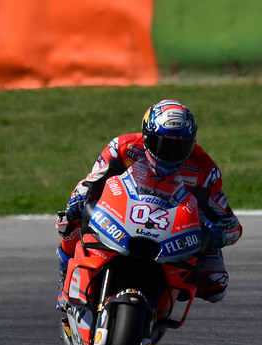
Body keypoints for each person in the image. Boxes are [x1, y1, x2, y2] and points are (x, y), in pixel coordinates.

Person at [56, 99, 242, 309]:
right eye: (160, 144)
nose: (167, 154)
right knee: (68, 219)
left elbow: (231, 224)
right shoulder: (122, 148)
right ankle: (65, 278)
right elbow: (89, 183)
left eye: (178, 146)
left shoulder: (205, 171)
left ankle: (162, 303)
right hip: (120, 217)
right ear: (145, 137)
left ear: (192, 143)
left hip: (175, 234)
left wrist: (218, 234)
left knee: (216, 283)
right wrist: (79, 197)